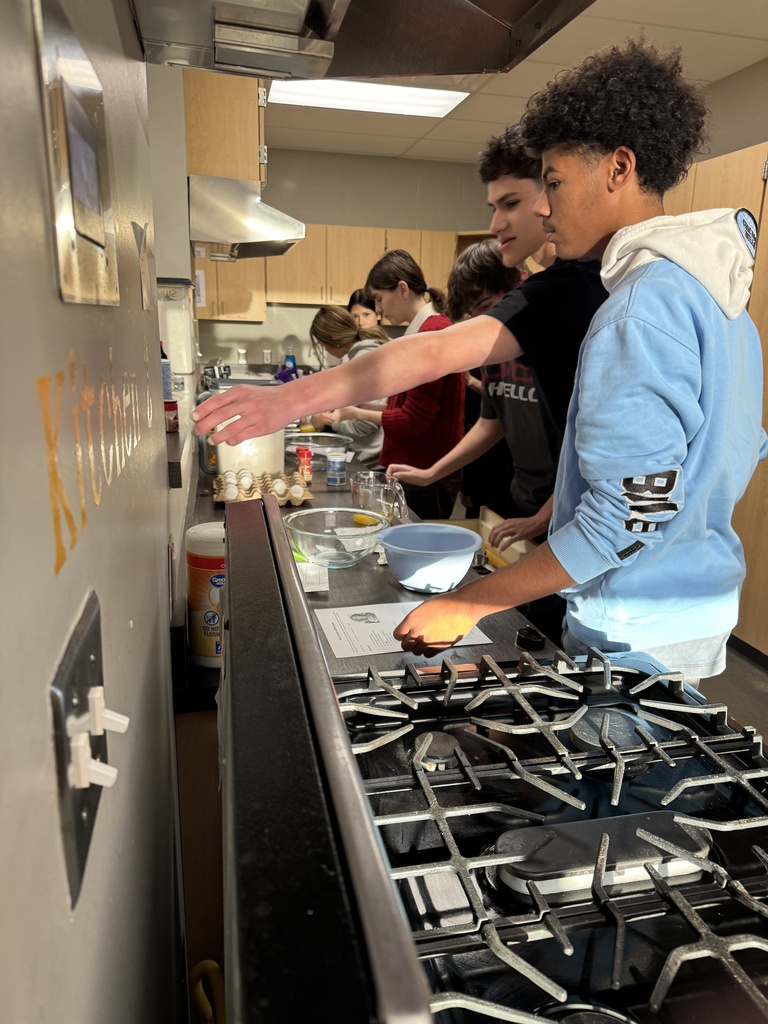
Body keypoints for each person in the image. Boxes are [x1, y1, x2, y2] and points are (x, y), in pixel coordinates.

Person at [192, 41, 766, 680]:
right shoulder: (719, 301)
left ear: (618, 168)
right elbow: (728, 451)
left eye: (551, 183)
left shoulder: (634, 309)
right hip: (695, 608)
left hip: (630, 620)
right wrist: (569, 502)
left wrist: (468, 601)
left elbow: (625, 519)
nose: (542, 207)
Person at [325, 249, 465, 519]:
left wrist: (354, 412)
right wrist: (368, 405)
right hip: (414, 468)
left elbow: (413, 420)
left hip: (425, 473)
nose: (378, 309)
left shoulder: (431, 334)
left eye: (379, 299)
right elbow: (406, 404)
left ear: (402, 289)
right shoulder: (420, 332)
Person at [307, 305, 389, 466]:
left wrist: (326, 420)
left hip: (372, 460)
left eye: (323, 345)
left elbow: (364, 427)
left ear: (334, 343)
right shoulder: (361, 356)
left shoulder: (362, 361)